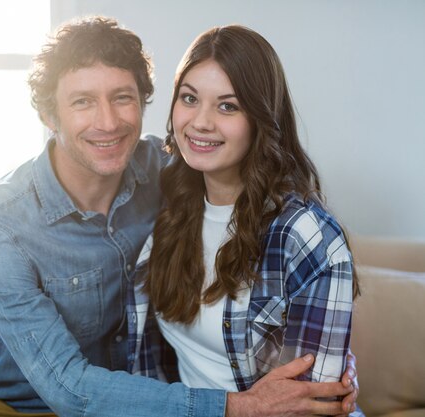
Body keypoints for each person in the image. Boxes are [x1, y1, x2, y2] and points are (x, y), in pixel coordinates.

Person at [0, 16, 358, 417]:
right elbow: (68, 389)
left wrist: (332, 362)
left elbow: (284, 240)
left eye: (122, 97)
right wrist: (239, 408)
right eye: (82, 101)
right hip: (33, 408)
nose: (108, 123)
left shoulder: (172, 173)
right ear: (49, 115)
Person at [128, 24, 363, 415]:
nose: (201, 122)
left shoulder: (305, 235)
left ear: (260, 118)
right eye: (189, 98)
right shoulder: (167, 204)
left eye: (227, 106)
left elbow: (310, 407)